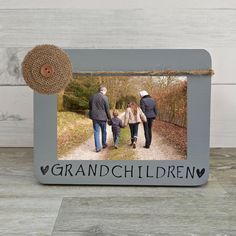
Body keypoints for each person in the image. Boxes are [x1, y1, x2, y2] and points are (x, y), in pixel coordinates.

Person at [89, 86, 111, 152]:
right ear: (104, 91)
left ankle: (98, 147)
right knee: (104, 131)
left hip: (95, 117)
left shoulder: (92, 97)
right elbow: (107, 109)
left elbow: (90, 107)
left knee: (96, 132)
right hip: (103, 117)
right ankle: (104, 144)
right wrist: (109, 118)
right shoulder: (105, 97)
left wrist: (91, 114)